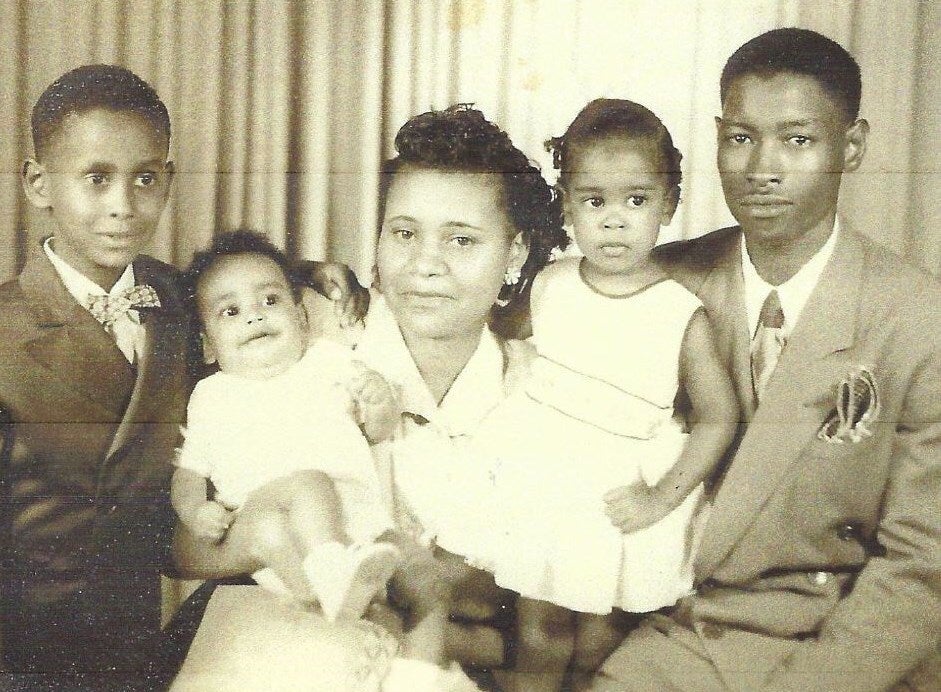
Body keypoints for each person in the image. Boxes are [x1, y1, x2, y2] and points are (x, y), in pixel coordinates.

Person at [172, 104, 569, 689]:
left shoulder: (538, 391)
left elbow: (537, 600)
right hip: (287, 634)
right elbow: (185, 545)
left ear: (513, 256)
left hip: (437, 656)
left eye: (461, 240)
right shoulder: (310, 336)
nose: (425, 264)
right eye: (403, 233)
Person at [592, 28, 941, 692]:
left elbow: (921, 568)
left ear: (853, 146)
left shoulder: (917, 318)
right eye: (741, 138)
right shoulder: (660, 282)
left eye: (797, 140)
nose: (761, 170)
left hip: (836, 648)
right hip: (676, 637)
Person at [0, 64, 356, 688]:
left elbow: (241, 291)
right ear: (37, 183)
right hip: (26, 648)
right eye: (96, 179)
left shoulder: (173, 298)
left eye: (144, 179)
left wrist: (307, 271)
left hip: (137, 637)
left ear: (166, 181)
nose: (122, 206)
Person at [485, 99, 738, 692]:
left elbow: (719, 419)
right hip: (545, 483)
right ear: (568, 205)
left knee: (601, 637)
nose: (615, 221)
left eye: (637, 200)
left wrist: (660, 498)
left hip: (617, 495)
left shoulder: (679, 312)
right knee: (540, 630)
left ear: (669, 204)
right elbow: (489, 335)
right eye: (594, 201)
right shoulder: (549, 284)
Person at [173, 231, 403, 623]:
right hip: (272, 531)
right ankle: (332, 574)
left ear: (300, 318)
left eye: (270, 300)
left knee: (389, 610)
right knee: (308, 483)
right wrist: (196, 511)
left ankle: (335, 598)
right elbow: (190, 471)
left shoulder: (326, 361)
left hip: (360, 524)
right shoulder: (211, 395)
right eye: (231, 312)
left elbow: (378, 432)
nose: (254, 315)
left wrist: (380, 399)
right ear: (208, 346)